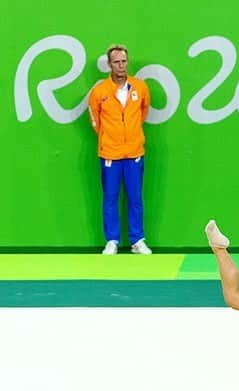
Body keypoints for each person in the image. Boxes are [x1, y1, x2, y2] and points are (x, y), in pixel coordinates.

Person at [88, 44, 152, 255]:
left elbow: (143, 113)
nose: (121, 65)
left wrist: (131, 136)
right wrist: (110, 138)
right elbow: (95, 122)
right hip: (110, 154)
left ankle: (137, 240)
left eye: (124, 61)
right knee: (110, 198)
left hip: (134, 152)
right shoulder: (99, 92)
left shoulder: (140, 88)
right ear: (109, 64)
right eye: (116, 62)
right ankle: (112, 240)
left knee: (135, 198)